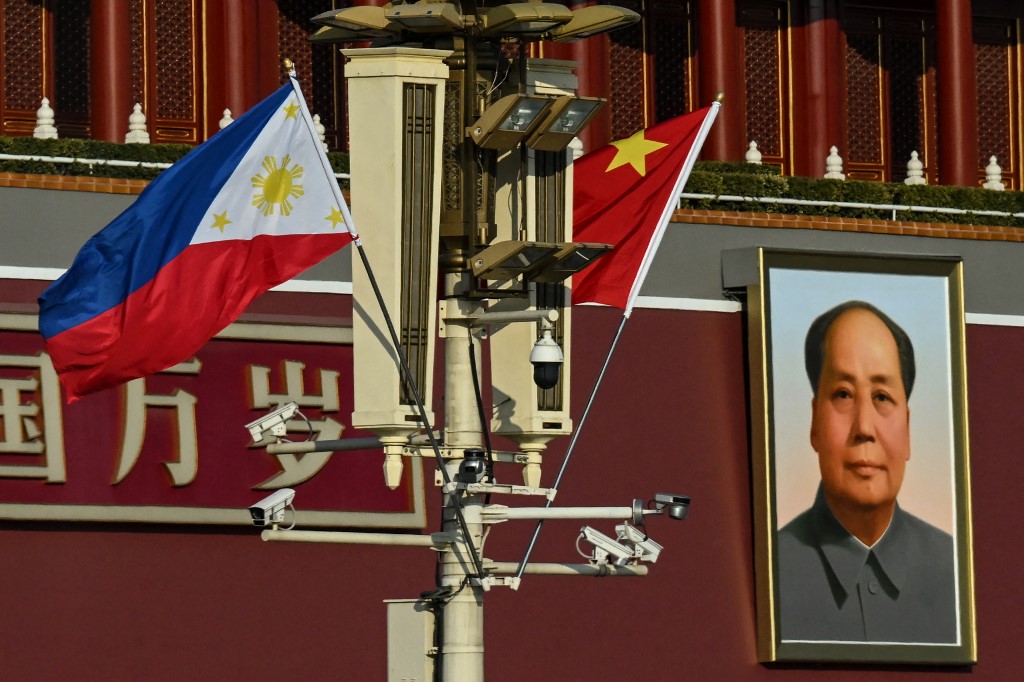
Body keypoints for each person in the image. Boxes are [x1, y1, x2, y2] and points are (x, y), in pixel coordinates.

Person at [777, 300, 957, 643]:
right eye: (843, 394)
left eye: (882, 397)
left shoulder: (959, 573)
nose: (864, 427)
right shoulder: (770, 572)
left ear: (907, 428)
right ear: (814, 422)